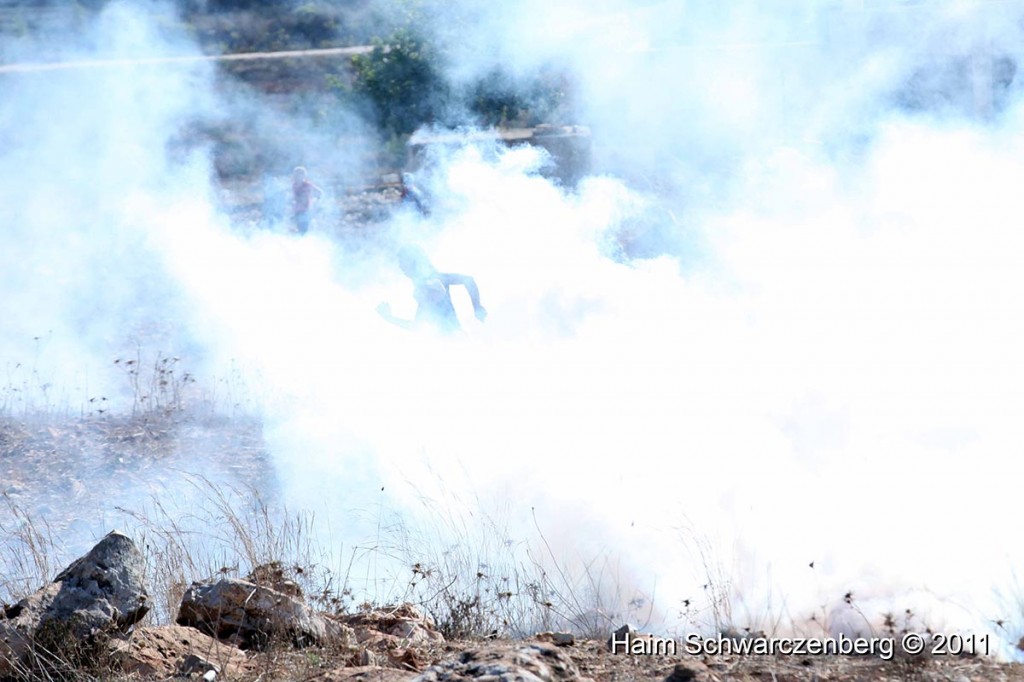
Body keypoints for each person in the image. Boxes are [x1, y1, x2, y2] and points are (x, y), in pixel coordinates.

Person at [377, 245, 487, 333]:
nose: (400, 267)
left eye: (403, 262)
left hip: (454, 343)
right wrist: (477, 307)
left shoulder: (431, 282)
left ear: (414, 261)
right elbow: (417, 326)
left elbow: (468, 280)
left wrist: (477, 307)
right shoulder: (424, 285)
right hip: (453, 342)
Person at [291, 166, 323, 235]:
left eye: (299, 174)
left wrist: (315, 201)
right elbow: (293, 198)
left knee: (303, 231)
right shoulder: (294, 185)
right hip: (297, 211)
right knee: (299, 230)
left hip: (306, 211)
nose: (296, 176)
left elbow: (319, 193)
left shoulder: (308, 185)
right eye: (295, 174)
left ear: (303, 176)